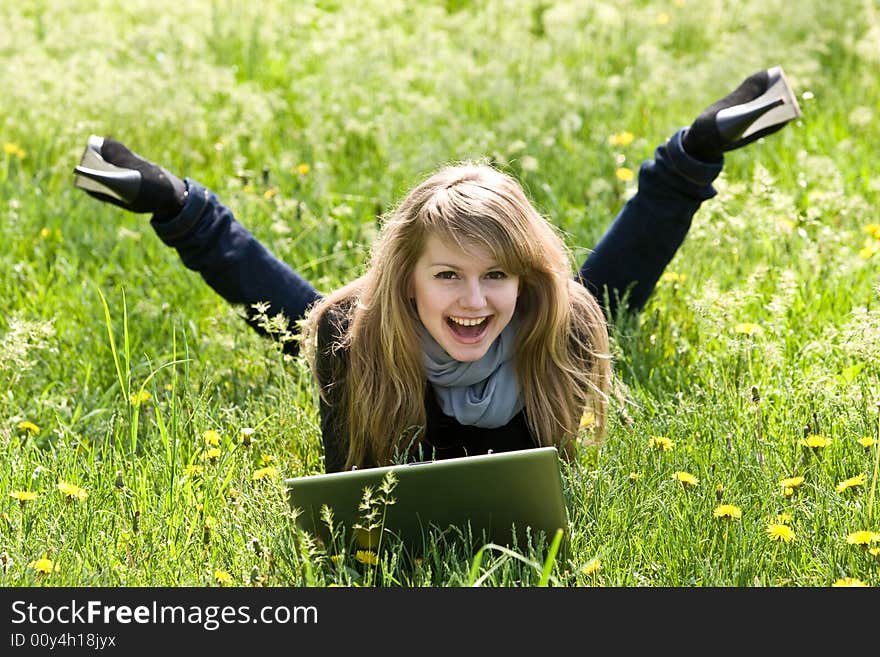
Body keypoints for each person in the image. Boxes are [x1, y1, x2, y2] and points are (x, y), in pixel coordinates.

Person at [76, 67, 798, 473]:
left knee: (605, 295)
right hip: (369, 330)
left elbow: (555, 479)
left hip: (556, 311)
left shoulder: (557, 318)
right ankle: (171, 200)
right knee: (305, 318)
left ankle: (697, 146)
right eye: (447, 275)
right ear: (407, 281)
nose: (476, 301)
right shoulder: (350, 331)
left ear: (523, 280)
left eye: (497, 276)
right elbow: (350, 487)